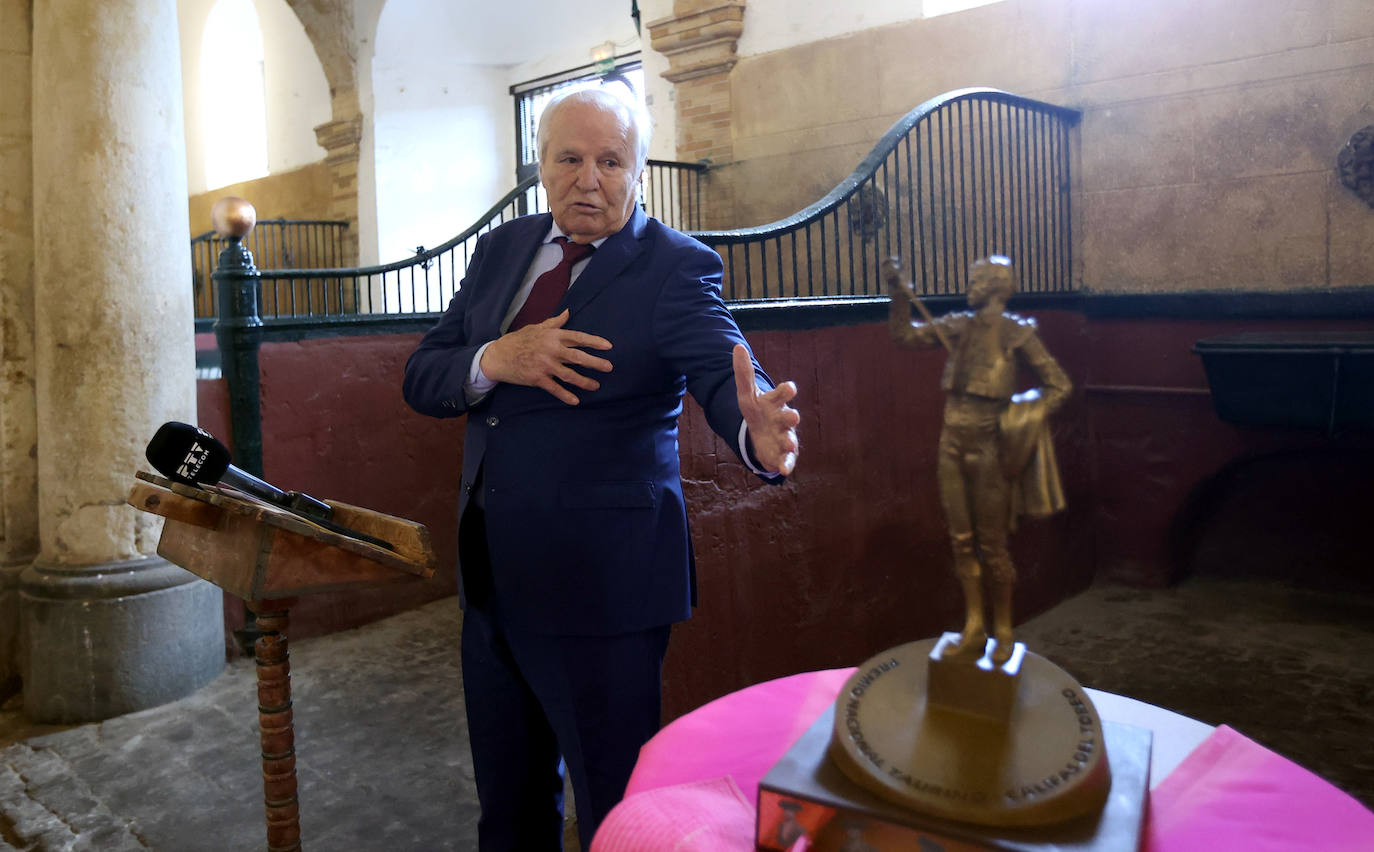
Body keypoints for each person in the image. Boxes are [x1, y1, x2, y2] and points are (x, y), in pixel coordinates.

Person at [402, 88, 800, 851]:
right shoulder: (503, 249)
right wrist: (495, 359)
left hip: (604, 595)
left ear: (639, 171)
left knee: (617, 811)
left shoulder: (676, 267)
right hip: (490, 582)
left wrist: (755, 436)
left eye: (611, 161)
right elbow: (425, 373)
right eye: (570, 158)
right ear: (541, 168)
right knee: (509, 810)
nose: (589, 179)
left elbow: (724, 377)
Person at [883, 255, 1069, 665]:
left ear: (996, 284)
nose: (969, 286)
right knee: (961, 543)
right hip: (951, 441)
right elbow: (905, 336)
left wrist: (1020, 416)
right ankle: (974, 627)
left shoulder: (1017, 332)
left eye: (976, 280)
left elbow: (1057, 384)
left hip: (990, 446)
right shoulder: (959, 325)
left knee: (994, 545)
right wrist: (898, 292)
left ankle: (1003, 629)